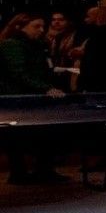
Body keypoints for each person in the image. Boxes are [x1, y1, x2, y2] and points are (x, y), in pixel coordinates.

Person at [0, 13, 65, 184]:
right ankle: (19, 173)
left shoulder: (38, 45)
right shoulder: (12, 45)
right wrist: (46, 88)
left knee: (42, 135)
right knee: (17, 137)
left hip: (35, 96)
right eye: (36, 26)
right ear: (19, 27)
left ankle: (42, 170)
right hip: (18, 98)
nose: (41, 30)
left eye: (43, 26)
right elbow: (19, 72)